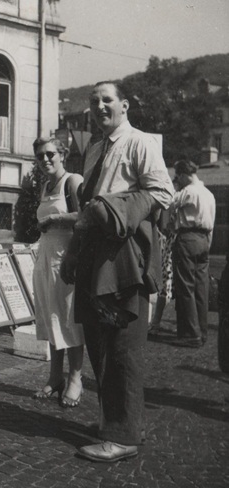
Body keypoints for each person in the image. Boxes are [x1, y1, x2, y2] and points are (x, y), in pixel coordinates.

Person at [60, 81, 175, 462]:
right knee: (99, 342)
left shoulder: (140, 142)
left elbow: (162, 192)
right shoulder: (94, 148)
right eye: (94, 101)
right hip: (95, 254)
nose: (99, 106)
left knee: (123, 346)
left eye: (107, 100)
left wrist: (114, 209)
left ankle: (123, 436)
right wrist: (73, 252)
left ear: (124, 105)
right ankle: (117, 422)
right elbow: (87, 209)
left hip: (124, 257)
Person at [31, 136, 85, 408]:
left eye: (50, 154)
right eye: (40, 156)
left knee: (69, 318)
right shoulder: (44, 186)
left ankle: (76, 378)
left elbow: (86, 217)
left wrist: (55, 218)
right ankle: (55, 376)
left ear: (62, 154)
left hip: (67, 258)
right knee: (51, 317)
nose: (45, 159)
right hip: (45, 258)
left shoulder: (72, 181)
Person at [170, 159, 216, 348]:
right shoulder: (209, 194)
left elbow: (169, 203)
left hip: (187, 238)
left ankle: (190, 334)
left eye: (177, 176)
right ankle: (202, 332)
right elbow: (211, 224)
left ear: (182, 175)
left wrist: (174, 187)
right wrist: (207, 245)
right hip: (204, 240)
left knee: (185, 286)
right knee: (201, 288)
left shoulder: (188, 192)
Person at [148, 202, 177, 334]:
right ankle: (156, 322)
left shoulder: (178, 200)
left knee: (168, 284)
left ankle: (156, 323)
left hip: (174, 243)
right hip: (173, 242)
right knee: (167, 284)